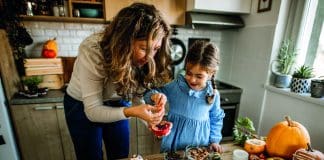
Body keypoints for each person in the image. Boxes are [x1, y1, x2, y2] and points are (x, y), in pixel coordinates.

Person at [63, 3, 172, 160]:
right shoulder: (93, 50)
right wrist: (131, 112)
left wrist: (150, 119)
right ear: (124, 42)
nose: (150, 57)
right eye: (143, 48)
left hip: (118, 101)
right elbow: (93, 111)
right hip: (82, 105)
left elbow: (135, 97)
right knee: (90, 156)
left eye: (155, 49)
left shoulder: (145, 59)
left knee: (120, 154)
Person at [144, 40, 225, 153]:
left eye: (199, 76)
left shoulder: (213, 95)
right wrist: (155, 96)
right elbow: (149, 95)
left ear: (211, 74)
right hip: (173, 148)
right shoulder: (176, 86)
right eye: (189, 73)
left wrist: (214, 141)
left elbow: (216, 119)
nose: (192, 79)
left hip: (199, 148)